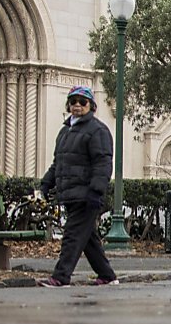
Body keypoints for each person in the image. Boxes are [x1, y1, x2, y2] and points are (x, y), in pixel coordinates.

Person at [39, 86, 118, 287]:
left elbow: (102, 163)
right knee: (88, 240)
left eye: (82, 102)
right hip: (71, 194)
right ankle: (107, 276)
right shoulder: (65, 131)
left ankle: (61, 277)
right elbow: (58, 163)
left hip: (86, 195)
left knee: (72, 237)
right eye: (73, 101)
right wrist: (45, 184)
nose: (77, 105)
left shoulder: (97, 130)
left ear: (91, 106)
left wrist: (96, 191)